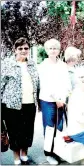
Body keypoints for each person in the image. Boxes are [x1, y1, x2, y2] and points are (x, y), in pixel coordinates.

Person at [1, 37, 40, 165]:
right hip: (12, 105)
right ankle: (16, 157)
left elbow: (37, 83)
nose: (23, 50)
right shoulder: (7, 64)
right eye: (20, 48)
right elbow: (1, 84)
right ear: (15, 50)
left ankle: (25, 154)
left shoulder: (32, 64)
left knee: (28, 131)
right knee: (14, 132)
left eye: (26, 48)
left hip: (30, 104)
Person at [38, 38, 71, 165]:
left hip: (61, 100)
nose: (53, 50)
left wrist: (63, 98)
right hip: (48, 100)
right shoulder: (43, 66)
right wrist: (56, 99)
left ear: (59, 50)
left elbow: (66, 83)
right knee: (50, 127)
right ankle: (48, 154)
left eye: (55, 48)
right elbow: (45, 85)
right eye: (50, 48)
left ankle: (57, 151)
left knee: (60, 126)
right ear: (46, 50)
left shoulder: (62, 65)